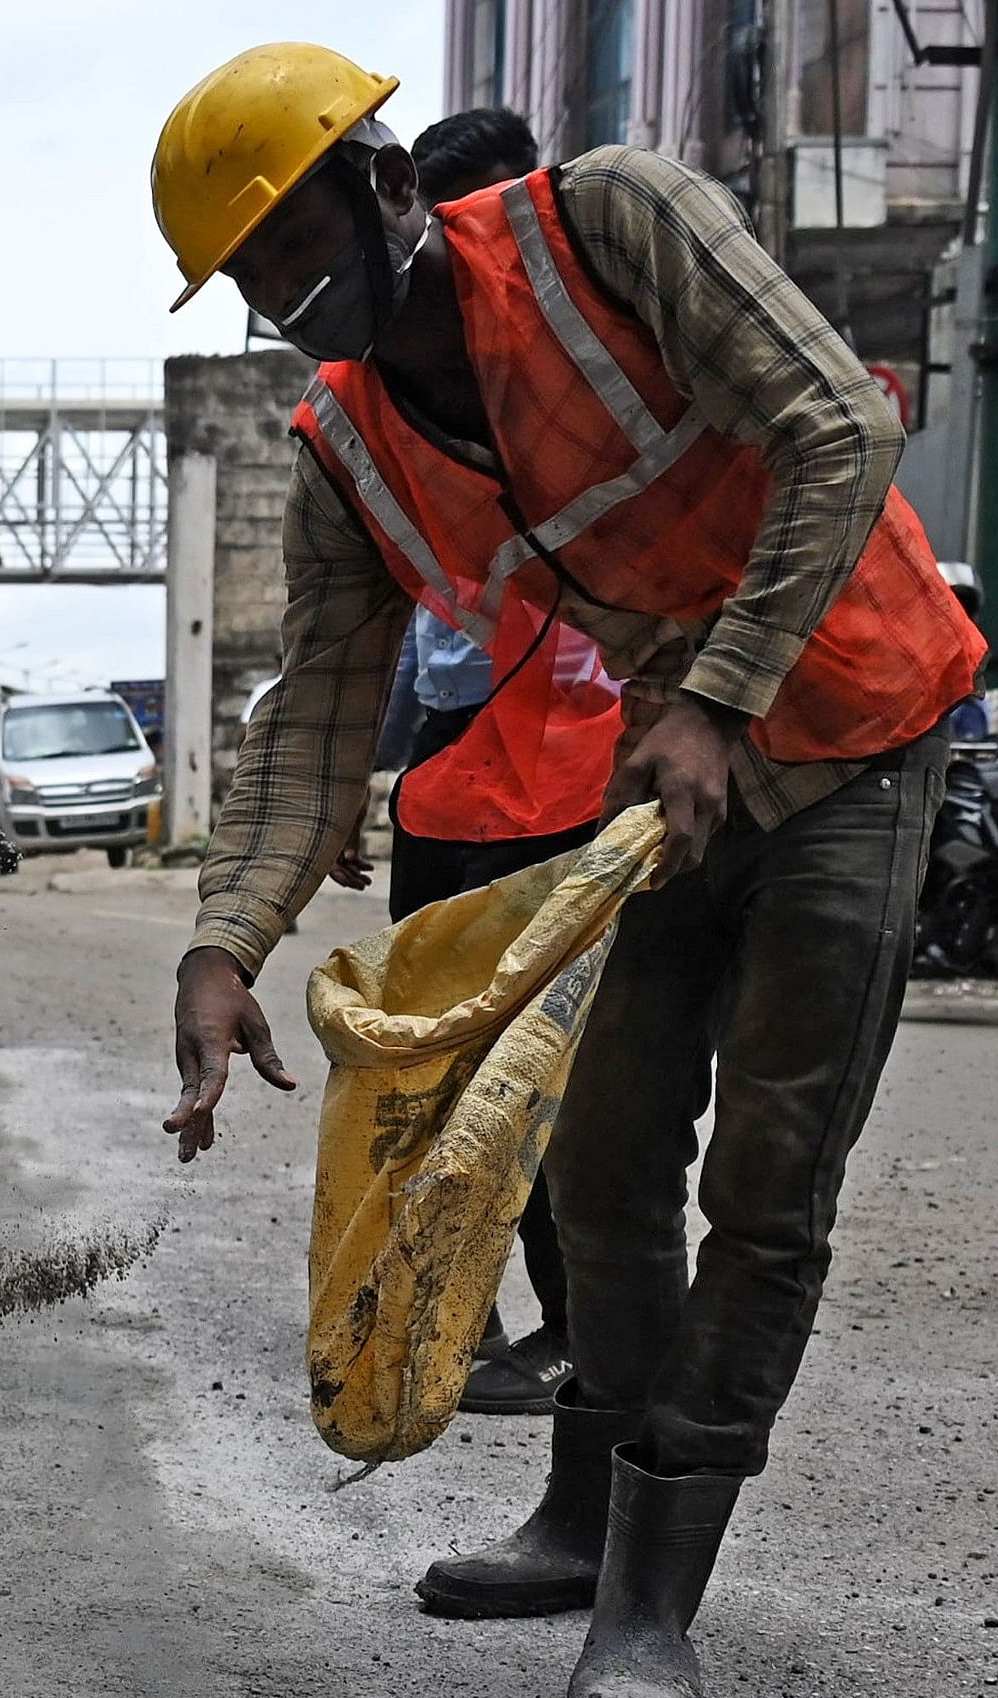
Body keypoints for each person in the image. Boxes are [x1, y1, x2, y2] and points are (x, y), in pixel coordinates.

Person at [153, 45, 981, 1698]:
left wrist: (722, 689)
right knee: (594, 1152)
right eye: (259, 293)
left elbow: (839, 425)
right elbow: (313, 721)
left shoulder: (611, 222)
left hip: (851, 737)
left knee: (766, 1176)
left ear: (388, 189)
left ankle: (651, 1590)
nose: (299, 313)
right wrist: (225, 940)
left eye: (303, 263)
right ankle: (580, 1506)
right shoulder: (346, 450)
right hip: (663, 781)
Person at [325, 107, 606, 1420]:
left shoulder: (602, 359)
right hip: (461, 764)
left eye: (516, 216)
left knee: (566, 1069)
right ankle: (459, 1297)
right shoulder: (390, 403)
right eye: (467, 228)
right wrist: (351, 780)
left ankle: (571, 1329)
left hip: (584, 764)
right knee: (435, 1054)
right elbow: (383, 623)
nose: (500, 255)